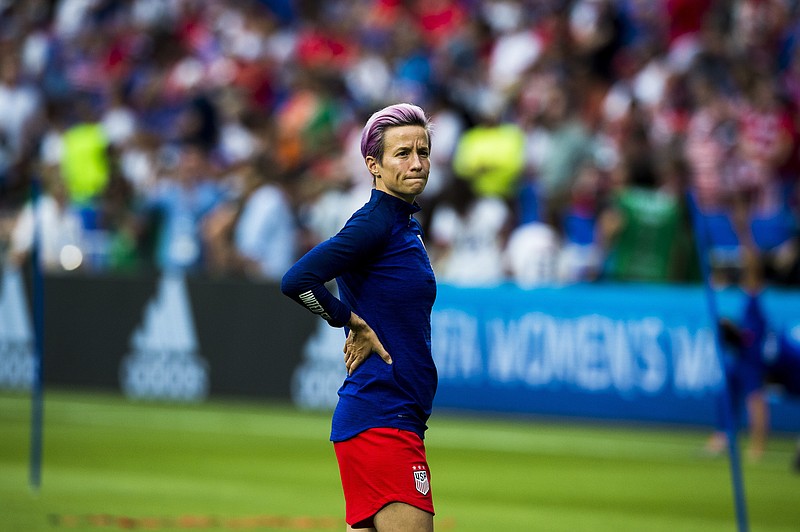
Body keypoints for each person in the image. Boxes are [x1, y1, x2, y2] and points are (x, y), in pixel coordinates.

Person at [281, 103, 437, 531]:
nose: (417, 162)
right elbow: (298, 280)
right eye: (402, 153)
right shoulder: (374, 224)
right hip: (383, 418)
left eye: (423, 152)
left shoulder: (402, 225)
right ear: (374, 165)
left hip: (384, 417)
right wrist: (350, 320)